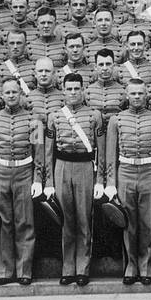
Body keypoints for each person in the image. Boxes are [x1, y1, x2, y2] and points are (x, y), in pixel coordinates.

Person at [105, 79, 151, 285]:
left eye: (140, 93)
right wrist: (110, 182)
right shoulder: (117, 120)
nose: (137, 97)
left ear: (147, 95)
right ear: (126, 95)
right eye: (133, 94)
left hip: (149, 171)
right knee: (128, 222)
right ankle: (131, 264)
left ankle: (145, 263)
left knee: (148, 222)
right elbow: (110, 154)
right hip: (125, 171)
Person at [43, 72, 103, 286]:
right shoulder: (55, 116)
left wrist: (101, 180)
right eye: (69, 89)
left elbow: (101, 151)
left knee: (84, 219)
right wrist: (48, 181)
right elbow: (48, 152)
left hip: (85, 167)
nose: (73, 92)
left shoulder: (94, 116)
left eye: (77, 88)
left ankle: (82, 268)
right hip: (62, 168)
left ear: (83, 90)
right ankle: (68, 267)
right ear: (63, 91)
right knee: (66, 219)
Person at [0, 79, 44, 285]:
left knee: (25, 221)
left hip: (24, 171)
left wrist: (38, 178)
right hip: (0, 172)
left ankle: (24, 270)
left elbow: (39, 152)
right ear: (1, 95)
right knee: (4, 221)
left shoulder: (34, 120)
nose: (11, 96)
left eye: (14, 92)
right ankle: (4, 270)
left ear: (21, 94)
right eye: (7, 92)